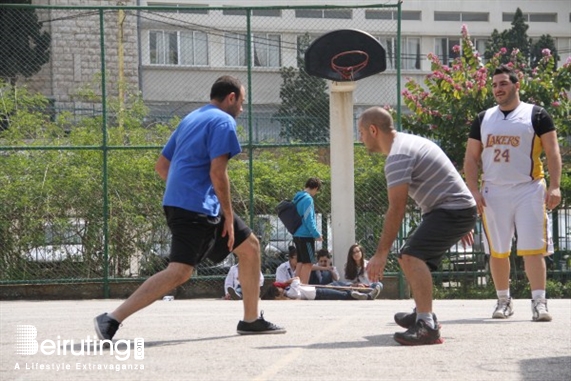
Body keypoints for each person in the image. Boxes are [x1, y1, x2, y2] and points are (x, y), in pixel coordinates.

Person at [94, 76, 285, 339]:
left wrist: (186, 188)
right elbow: (218, 173)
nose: (242, 108)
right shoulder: (223, 120)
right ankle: (112, 319)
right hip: (197, 208)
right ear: (231, 98)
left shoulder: (192, 118)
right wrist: (227, 214)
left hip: (190, 202)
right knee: (180, 272)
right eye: (242, 101)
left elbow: (162, 166)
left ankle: (251, 319)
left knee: (249, 247)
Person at [359, 106, 477, 345]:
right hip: (452, 209)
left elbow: (397, 208)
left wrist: (381, 253)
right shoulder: (407, 143)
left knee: (411, 255)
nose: (360, 138)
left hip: (451, 210)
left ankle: (426, 325)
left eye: (361, 132)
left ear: (373, 130)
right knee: (408, 256)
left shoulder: (398, 156)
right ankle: (423, 311)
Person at [463, 64, 562, 322]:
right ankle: (503, 300)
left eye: (503, 83)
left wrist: (555, 186)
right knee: (497, 250)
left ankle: (539, 302)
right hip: (493, 191)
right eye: (495, 85)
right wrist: (473, 190)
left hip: (528, 189)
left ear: (517, 86)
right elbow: (471, 158)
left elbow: (553, 152)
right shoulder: (483, 118)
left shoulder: (537, 115)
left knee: (533, 250)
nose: (498, 88)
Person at [292, 177, 323, 284]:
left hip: (296, 233)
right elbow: (309, 219)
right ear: (315, 188)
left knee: (300, 261)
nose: (316, 193)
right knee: (308, 263)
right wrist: (316, 234)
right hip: (306, 235)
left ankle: (295, 286)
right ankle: (303, 287)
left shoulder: (297, 197)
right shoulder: (308, 199)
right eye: (317, 191)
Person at [263, 277, 380, 301]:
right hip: (318, 293)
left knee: (343, 290)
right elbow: (297, 279)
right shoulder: (291, 293)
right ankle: (366, 296)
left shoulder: (289, 292)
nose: (282, 290)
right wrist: (285, 282)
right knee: (342, 295)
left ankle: (368, 292)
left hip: (318, 291)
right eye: (280, 290)